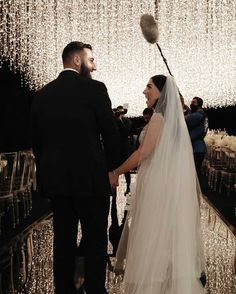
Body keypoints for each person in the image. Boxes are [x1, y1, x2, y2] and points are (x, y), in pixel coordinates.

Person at [30, 41, 120, 294]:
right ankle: (94, 289)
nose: (94, 65)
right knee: (95, 240)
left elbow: (37, 142)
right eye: (91, 59)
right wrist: (114, 169)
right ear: (77, 60)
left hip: (58, 182)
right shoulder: (95, 89)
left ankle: (64, 289)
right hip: (92, 180)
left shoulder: (42, 94)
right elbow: (110, 134)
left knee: (63, 241)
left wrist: (48, 171)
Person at [109, 75, 206, 293]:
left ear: (162, 93)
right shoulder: (175, 121)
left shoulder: (159, 118)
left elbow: (143, 152)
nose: (145, 91)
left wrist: (116, 171)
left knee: (153, 237)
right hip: (167, 183)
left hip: (157, 186)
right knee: (165, 238)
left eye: (149, 87)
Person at [185, 96, 208, 180]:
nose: (191, 104)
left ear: (199, 105)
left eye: (194, 102)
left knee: (194, 174)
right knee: (196, 172)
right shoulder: (202, 114)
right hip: (199, 148)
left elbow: (184, 120)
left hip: (197, 148)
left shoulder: (198, 115)